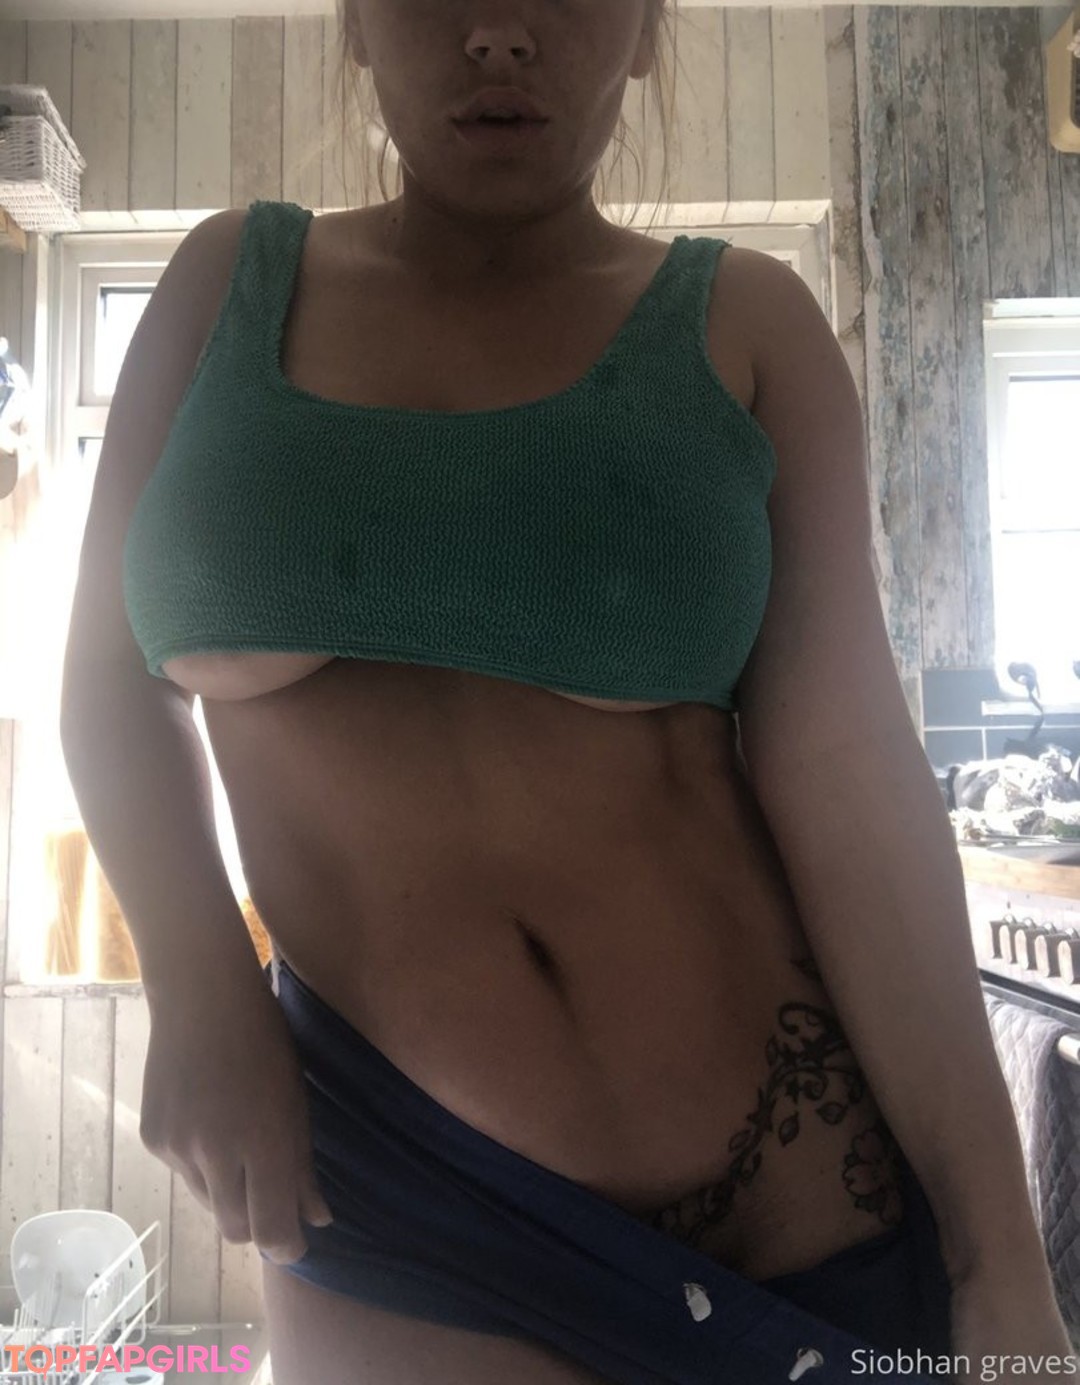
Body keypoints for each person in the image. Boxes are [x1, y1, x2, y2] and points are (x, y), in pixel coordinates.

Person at [59, 1, 1075, 1382]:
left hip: (797, 1186)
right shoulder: (225, 286)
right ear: (354, 21)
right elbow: (107, 678)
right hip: (402, 1191)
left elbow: (854, 782)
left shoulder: (748, 324)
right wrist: (197, 982)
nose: (499, 32)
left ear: (649, 28)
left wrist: (1000, 1259)